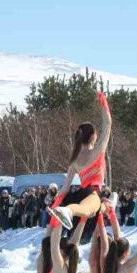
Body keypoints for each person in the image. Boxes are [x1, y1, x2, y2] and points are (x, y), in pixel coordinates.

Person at [50, 91, 113, 229]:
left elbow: (65, 188)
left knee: (95, 211)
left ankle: (106, 206)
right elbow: (108, 124)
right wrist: (103, 100)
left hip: (79, 194)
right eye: (95, 133)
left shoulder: (74, 160)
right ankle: (68, 211)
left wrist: (55, 204)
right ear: (93, 136)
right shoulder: (97, 151)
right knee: (88, 209)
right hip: (92, 193)